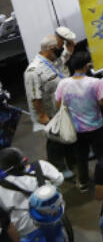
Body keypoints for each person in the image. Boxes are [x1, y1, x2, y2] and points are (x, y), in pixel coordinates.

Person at [0, 147, 66, 242]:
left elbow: (3, 213)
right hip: (51, 216)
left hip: (26, 227)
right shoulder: (40, 166)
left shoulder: (1, 187)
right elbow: (59, 179)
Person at [52, 49, 103, 193]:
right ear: (87, 65)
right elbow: (102, 103)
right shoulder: (95, 83)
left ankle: (83, 182)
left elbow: (58, 105)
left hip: (77, 128)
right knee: (101, 154)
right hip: (96, 126)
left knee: (81, 157)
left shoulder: (63, 84)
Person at [22, 35, 69, 175]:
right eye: (59, 48)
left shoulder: (51, 60)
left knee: (65, 134)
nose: (61, 51)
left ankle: (69, 160)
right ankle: (58, 167)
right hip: (49, 113)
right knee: (54, 140)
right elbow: (34, 97)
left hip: (59, 108)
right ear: (51, 48)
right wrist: (42, 116)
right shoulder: (33, 71)